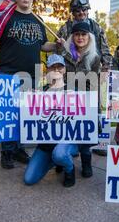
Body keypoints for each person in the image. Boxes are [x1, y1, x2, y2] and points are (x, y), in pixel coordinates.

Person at [0, 0, 62, 170]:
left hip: (32, 74)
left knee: (24, 113)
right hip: (9, 72)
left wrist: (57, 45)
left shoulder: (38, 20)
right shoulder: (7, 17)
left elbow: (43, 45)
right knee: (8, 113)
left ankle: (18, 149)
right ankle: (7, 151)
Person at [24, 54, 79, 187]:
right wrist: (28, 100)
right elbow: (31, 118)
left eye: (59, 66)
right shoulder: (40, 92)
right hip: (46, 143)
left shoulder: (74, 91)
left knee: (59, 154)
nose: (56, 70)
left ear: (64, 69)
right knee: (29, 179)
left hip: (66, 140)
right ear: (47, 70)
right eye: (52, 67)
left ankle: (69, 169)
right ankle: (55, 160)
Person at [58, 21, 101, 178]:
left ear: (89, 37)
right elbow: (57, 78)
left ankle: (86, 161)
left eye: (83, 34)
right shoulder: (65, 54)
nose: (80, 37)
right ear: (72, 36)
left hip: (85, 101)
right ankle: (61, 161)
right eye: (77, 34)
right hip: (66, 101)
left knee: (84, 132)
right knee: (64, 129)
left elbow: (93, 84)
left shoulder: (94, 58)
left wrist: (78, 94)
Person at [57, 0, 113, 69]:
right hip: (70, 70)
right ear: (73, 13)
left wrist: (106, 67)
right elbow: (57, 51)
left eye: (84, 10)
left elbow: (105, 51)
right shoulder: (65, 28)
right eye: (78, 11)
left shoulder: (96, 27)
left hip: (92, 68)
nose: (81, 13)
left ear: (87, 11)